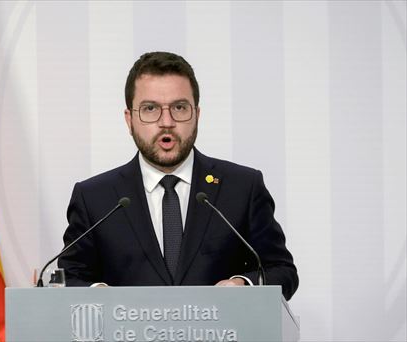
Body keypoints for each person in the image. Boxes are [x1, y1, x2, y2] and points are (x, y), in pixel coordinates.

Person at [58, 51, 298, 300]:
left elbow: (282, 271)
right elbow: (68, 277)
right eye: (150, 108)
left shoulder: (242, 187)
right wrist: (100, 295)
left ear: (197, 115)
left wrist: (244, 285)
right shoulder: (95, 198)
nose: (166, 122)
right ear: (129, 120)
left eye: (179, 108)